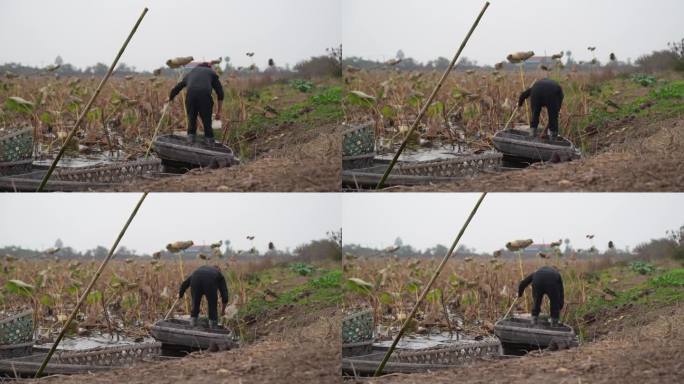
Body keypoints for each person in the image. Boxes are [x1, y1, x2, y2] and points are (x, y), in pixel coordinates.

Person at [169, 62, 224, 144]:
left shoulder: (191, 73)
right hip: (205, 97)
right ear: (209, 68)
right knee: (207, 121)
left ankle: (190, 140)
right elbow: (220, 93)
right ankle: (209, 141)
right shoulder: (211, 73)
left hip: (191, 96)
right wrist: (219, 112)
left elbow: (178, 86)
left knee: (192, 119)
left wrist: (170, 97)